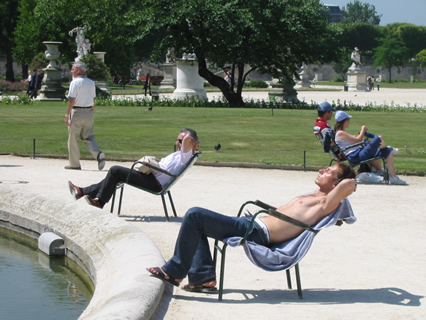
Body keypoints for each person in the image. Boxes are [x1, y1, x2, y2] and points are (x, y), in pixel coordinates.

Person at [147, 162, 357, 292]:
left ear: (335, 184)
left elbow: (348, 185)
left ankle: (174, 271)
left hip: (256, 232)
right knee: (197, 222)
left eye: (329, 171)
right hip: (252, 224)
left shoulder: (325, 203)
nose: (322, 170)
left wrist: (350, 178)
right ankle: (203, 278)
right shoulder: (315, 196)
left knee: (194, 215)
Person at [67, 128, 199, 209]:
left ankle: (100, 202)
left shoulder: (185, 156)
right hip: (152, 176)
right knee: (115, 176)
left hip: (154, 182)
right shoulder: (181, 154)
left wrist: (192, 141)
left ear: (191, 144)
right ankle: (82, 191)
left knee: (115, 171)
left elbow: (188, 139)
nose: (178, 143)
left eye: (180, 141)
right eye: (178, 140)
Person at [333, 111, 406, 185]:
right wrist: (363, 130)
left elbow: (354, 139)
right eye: (348, 120)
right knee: (379, 138)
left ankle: (393, 177)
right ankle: (387, 148)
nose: (349, 122)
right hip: (356, 155)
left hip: (359, 153)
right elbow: (358, 139)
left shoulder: (341, 132)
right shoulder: (340, 133)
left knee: (388, 151)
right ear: (345, 121)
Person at [64, 61, 105, 171]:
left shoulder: (75, 83)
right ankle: (98, 154)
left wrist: (67, 115)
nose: (71, 71)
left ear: (78, 70)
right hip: (89, 112)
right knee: (89, 136)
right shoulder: (91, 82)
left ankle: (74, 164)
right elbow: (93, 99)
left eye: (72, 69)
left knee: (73, 138)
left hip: (77, 112)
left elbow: (71, 100)